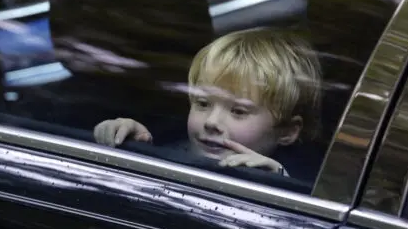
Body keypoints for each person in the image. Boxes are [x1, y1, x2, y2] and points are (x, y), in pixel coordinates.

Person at [93, 28, 322, 176]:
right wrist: (137, 146)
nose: (211, 122)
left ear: (288, 131)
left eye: (238, 111)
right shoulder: (174, 142)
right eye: (203, 103)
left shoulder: (311, 180)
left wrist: (279, 181)